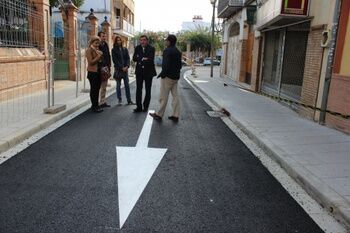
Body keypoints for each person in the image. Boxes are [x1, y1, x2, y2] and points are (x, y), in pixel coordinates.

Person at [150, 34, 182, 122]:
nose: (165, 41)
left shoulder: (167, 51)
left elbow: (166, 65)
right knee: (175, 97)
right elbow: (180, 65)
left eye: (166, 40)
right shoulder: (178, 51)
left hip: (168, 77)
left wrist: (162, 74)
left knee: (163, 96)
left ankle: (159, 114)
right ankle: (176, 115)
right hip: (175, 77)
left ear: (169, 41)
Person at [132, 35, 157, 113]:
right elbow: (134, 58)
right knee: (138, 89)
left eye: (144, 40)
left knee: (148, 90)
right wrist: (143, 58)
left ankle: (145, 106)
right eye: (141, 40)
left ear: (147, 41)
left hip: (149, 72)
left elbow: (150, 60)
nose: (142, 41)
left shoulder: (151, 48)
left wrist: (140, 58)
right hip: (139, 72)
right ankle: (138, 107)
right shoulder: (137, 48)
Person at [112, 36, 134, 105]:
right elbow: (115, 60)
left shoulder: (125, 49)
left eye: (120, 40)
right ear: (115, 41)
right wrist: (122, 68)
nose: (119, 41)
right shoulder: (113, 50)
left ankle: (129, 100)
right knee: (118, 85)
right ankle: (119, 100)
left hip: (125, 70)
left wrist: (127, 66)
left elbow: (128, 58)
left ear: (121, 41)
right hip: (118, 70)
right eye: (117, 40)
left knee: (127, 85)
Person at [86, 36, 103, 113]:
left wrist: (101, 56)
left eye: (98, 43)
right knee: (94, 90)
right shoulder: (89, 50)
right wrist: (99, 56)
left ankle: (96, 105)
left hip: (98, 72)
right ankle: (94, 106)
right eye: (96, 43)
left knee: (97, 89)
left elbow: (100, 61)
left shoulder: (97, 50)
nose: (97, 45)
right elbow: (91, 62)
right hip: (92, 73)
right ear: (92, 43)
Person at [98, 31, 112, 108]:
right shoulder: (97, 45)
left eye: (105, 36)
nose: (104, 37)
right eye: (103, 36)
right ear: (99, 37)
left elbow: (108, 55)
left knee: (104, 86)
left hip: (106, 68)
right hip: (98, 69)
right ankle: (96, 103)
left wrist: (109, 66)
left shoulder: (106, 44)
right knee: (97, 87)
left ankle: (102, 102)